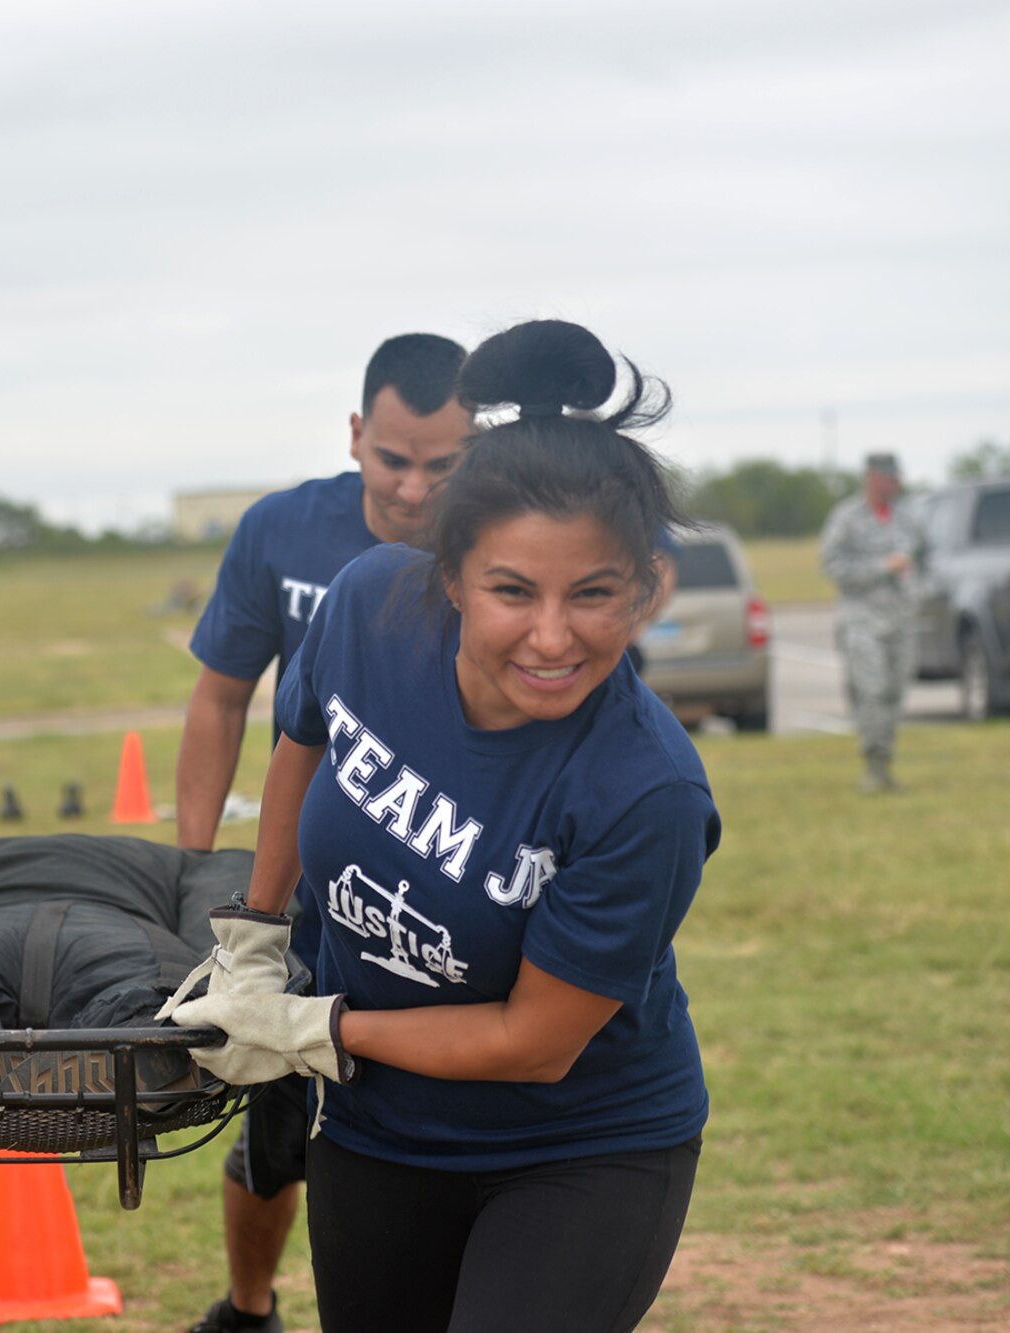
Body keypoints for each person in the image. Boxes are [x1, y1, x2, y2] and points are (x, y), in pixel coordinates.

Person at [174, 319, 717, 1332]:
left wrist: (312, 1028)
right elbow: (301, 742)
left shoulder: (645, 791)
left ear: (641, 592)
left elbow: (533, 1041)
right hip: (381, 1132)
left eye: (593, 595)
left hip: (580, 1148)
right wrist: (254, 935)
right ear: (450, 571)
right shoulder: (367, 604)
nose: (551, 636)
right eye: (512, 590)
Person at [174, 332, 470, 1333]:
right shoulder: (280, 533)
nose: (415, 489)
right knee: (270, 1132)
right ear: (354, 433)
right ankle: (249, 1307)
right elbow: (219, 700)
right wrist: (195, 867)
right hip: (294, 882)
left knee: (411, 1124)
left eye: (444, 466)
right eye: (392, 458)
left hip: (438, 894)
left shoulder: (502, 546)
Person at [819, 453, 924, 792]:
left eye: (897, 477)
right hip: (862, 620)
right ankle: (874, 765)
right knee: (871, 691)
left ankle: (885, 761)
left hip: (902, 619)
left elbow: (928, 556)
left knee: (894, 691)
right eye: (889, 477)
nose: (896, 483)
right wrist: (882, 567)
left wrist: (918, 583)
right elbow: (832, 564)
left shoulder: (907, 518)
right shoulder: (847, 518)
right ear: (873, 479)